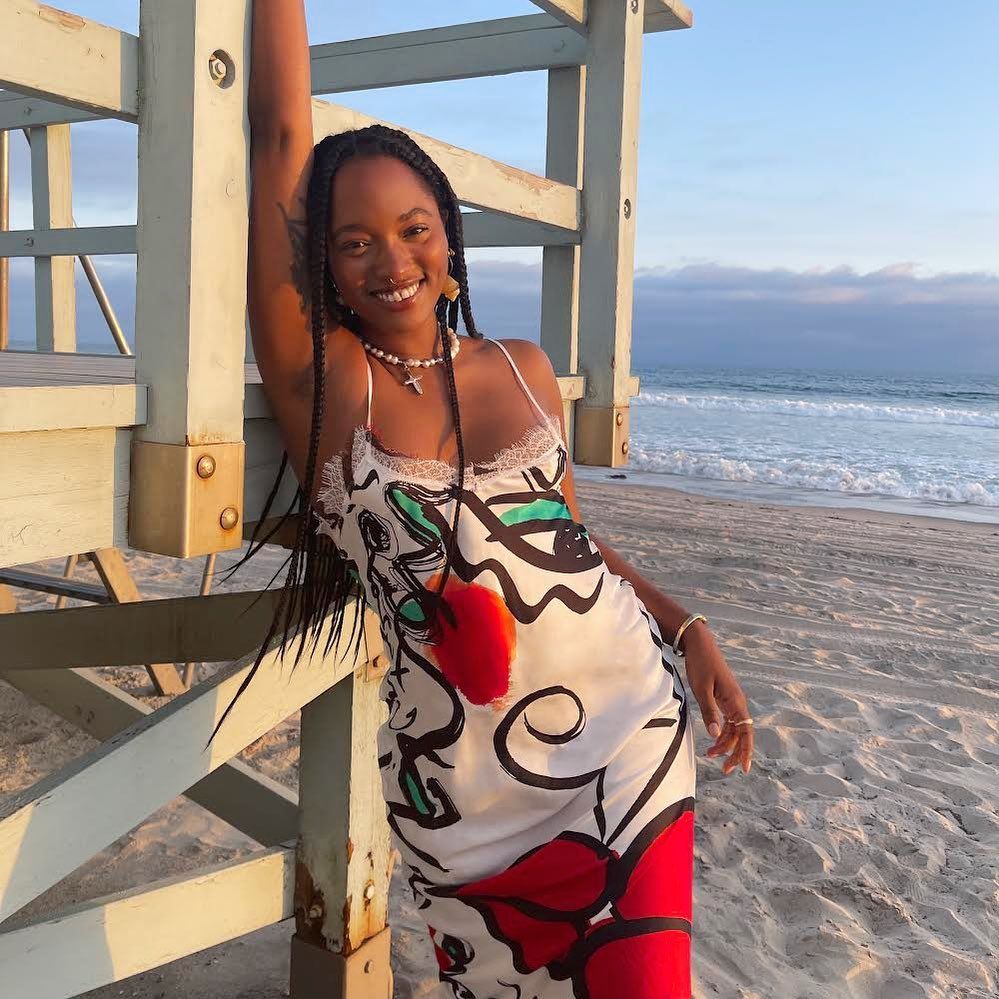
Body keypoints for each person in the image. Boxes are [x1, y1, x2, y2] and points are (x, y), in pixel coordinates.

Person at [226, 3, 755, 996]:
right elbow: (280, 133)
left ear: (449, 237)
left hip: (624, 728)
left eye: (413, 230)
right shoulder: (328, 384)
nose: (392, 262)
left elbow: (567, 542)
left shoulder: (522, 367)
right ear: (321, 264)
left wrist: (686, 628)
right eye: (354, 242)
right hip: (464, 794)